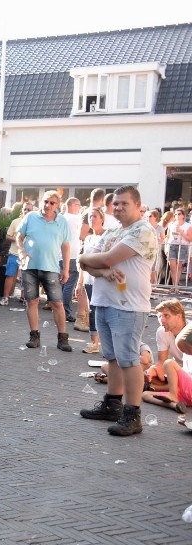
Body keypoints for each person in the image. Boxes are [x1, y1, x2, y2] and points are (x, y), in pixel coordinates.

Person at [79, 186, 158, 436]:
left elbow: (104, 259)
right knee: (112, 358)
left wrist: (100, 264)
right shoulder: (113, 231)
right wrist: (103, 271)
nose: (118, 208)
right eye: (115, 204)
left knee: (129, 359)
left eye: (124, 204)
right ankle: (112, 404)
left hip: (129, 305)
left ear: (138, 205)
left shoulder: (143, 231)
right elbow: (84, 260)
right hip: (104, 301)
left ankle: (132, 414)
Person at [18, 191, 72, 352]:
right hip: (30, 266)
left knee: (57, 303)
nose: (47, 205)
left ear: (58, 205)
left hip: (51, 267)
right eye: (45, 201)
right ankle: (34, 336)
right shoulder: (31, 217)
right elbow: (19, 237)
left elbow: (66, 246)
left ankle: (62, 338)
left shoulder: (62, 221)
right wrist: (21, 251)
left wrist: (66, 269)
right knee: (32, 301)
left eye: (52, 203)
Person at [80, 208, 106, 354]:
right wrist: (80, 282)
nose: (92, 219)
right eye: (90, 217)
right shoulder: (88, 238)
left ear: (102, 218)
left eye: (95, 216)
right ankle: (94, 342)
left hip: (101, 278)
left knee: (101, 310)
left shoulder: (107, 236)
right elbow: (82, 261)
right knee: (92, 310)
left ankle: (105, 342)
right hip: (89, 279)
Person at [60, 197, 83, 320]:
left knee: (63, 283)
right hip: (73, 254)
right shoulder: (76, 219)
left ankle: (59, 310)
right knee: (69, 284)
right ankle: (66, 311)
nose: (80, 208)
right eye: (78, 205)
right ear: (73, 205)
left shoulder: (61, 218)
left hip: (60, 254)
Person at [0, 212, 25, 306]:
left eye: (29, 210)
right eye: (25, 209)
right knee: (10, 275)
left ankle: (24, 298)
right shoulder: (16, 222)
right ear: (22, 211)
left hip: (26, 254)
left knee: (26, 277)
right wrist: (17, 240)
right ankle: (5, 297)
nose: (26, 211)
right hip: (14, 253)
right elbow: (8, 236)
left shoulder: (34, 222)